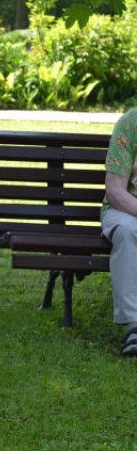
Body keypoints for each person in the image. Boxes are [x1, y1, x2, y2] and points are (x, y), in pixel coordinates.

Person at [101, 110, 137, 356]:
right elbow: (115, 191)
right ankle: (135, 326)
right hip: (125, 206)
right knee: (127, 230)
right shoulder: (130, 123)